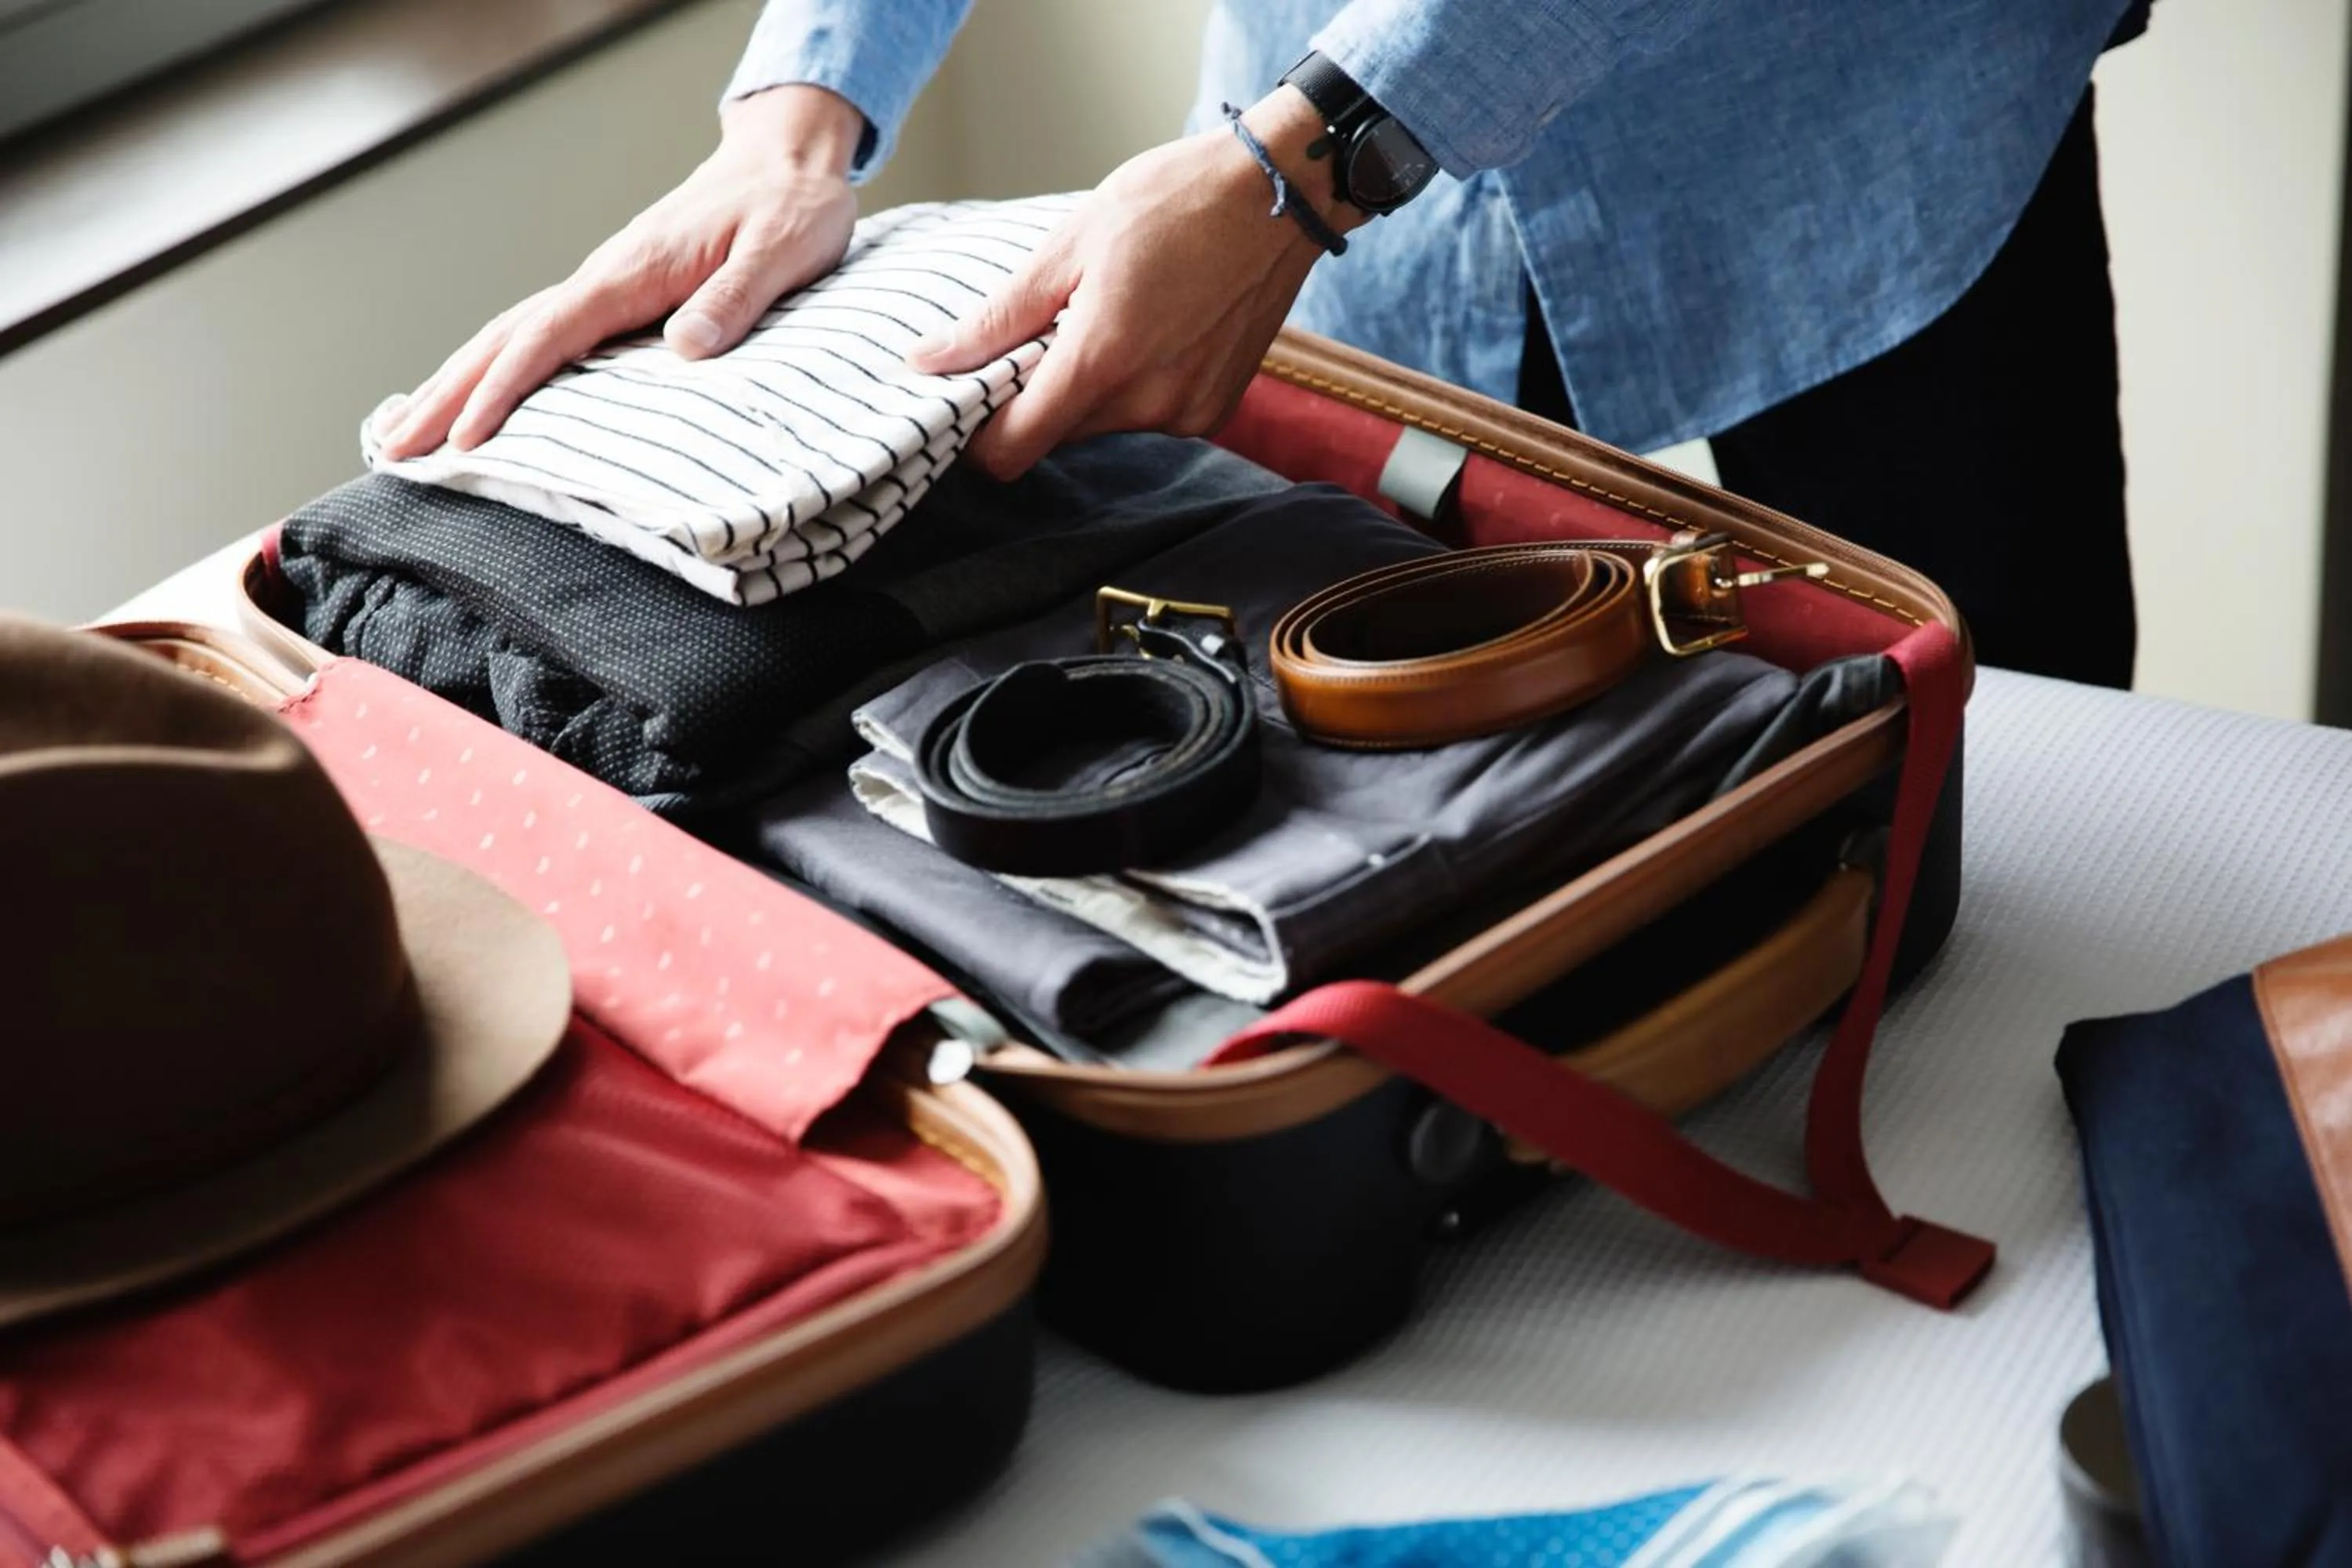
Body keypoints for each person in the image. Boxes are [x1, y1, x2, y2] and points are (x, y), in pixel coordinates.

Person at [379, 0, 2154, 688]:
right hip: (1307, 191)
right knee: (1411, 811)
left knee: (2019, 792)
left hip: (1855, 138)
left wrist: (1311, 166)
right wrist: (802, 109)